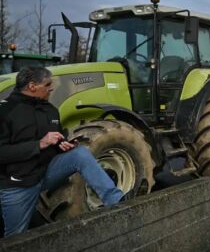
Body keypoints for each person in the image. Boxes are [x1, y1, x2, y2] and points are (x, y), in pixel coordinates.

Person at [0, 66, 125, 237]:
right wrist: (39, 144)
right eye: (48, 84)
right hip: (18, 184)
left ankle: (117, 202)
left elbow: (55, 141)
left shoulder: (51, 110)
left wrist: (62, 145)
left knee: (80, 154)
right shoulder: (5, 111)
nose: (52, 87)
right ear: (32, 86)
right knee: (16, 239)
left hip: (46, 173)